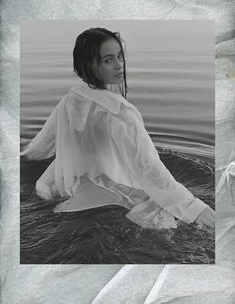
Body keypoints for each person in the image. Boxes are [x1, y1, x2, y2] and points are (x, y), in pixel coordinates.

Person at [21, 27, 215, 230]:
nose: (119, 65)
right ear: (89, 65)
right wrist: (194, 207)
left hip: (63, 187)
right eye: (108, 60)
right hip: (108, 193)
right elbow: (149, 167)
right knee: (163, 221)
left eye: (120, 57)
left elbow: (42, 145)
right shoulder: (119, 112)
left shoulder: (72, 98)